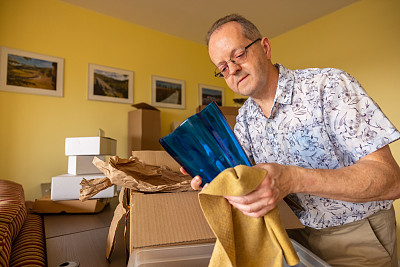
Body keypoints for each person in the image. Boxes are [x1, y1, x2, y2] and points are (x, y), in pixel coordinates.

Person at [182, 14, 400, 266]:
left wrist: (292, 178)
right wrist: (214, 176)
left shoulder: (329, 86)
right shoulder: (244, 119)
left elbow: (391, 181)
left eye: (238, 54)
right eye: (222, 67)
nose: (232, 70)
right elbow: (246, 179)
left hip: (356, 233)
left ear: (264, 47)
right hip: (291, 232)